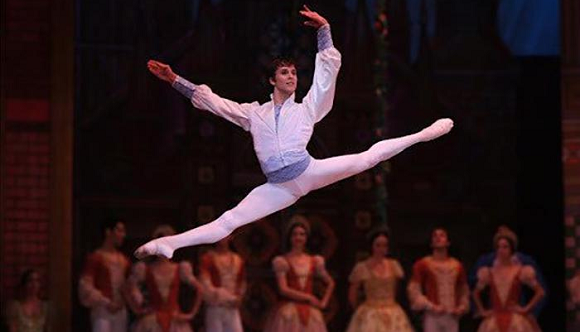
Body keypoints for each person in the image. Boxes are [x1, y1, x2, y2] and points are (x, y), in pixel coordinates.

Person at [135, 5, 454, 259]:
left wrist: (325, 32)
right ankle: (170, 244)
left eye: (293, 73)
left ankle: (423, 134)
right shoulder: (252, 113)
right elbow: (214, 103)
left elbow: (325, 80)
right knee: (229, 221)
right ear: (272, 80)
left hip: (308, 172)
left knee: (368, 158)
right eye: (284, 73)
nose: (291, 77)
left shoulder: (305, 109)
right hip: (278, 187)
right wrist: (176, 80)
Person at [125, 225, 203, 332]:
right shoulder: (145, 269)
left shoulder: (180, 268)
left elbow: (199, 289)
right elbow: (126, 287)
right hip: (152, 320)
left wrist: (191, 314)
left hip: (175, 319)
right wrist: (137, 310)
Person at [264, 215, 334, 332]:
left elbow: (330, 282)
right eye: (295, 234)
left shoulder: (314, 261)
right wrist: (309, 297)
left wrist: (323, 303)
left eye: (302, 234)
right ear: (290, 237)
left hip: (310, 312)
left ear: (306, 237)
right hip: (289, 310)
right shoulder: (282, 261)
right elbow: (283, 289)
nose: (298, 237)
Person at [472, 226, 544, 332]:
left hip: (515, 319)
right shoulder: (489, 272)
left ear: (511, 249)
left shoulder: (520, 270)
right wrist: (482, 311)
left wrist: (525, 309)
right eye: (498, 247)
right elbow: (475, 293)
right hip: (494, 318)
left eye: (505, 247)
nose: (501, 250)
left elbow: (540, 292)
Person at [346, 228, 414, 332]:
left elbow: (397, 289)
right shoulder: (362, 267)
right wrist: (359, 312)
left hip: (392, 312)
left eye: (384, 245)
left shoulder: (394, 265)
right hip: (370, 312)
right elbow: (352, 294)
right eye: (378, 245)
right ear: (372, 246)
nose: (381, 249)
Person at [407, 227, 469, 332]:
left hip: (451, 315)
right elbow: (413, 290)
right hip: (433, 316)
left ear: (448, 242)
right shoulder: (423, 264)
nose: (438, 238)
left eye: (442, 235)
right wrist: (430, 306)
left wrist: (461, 307)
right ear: (431, 243)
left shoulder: (457, 265)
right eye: (435, 236)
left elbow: (463, 290)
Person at [79, 217, 131, 332]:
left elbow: (128, 286)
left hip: (120, 310)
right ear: (108, 232)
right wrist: (105, 302)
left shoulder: (124, 260)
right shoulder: (96, 258)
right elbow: (86, 285)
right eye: (119, 230)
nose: (123, 235)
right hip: (102, 310)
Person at [199, 236, 246, 332]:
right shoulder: (208, 259)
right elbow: (205, 284)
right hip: (215, 307)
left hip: (232, 308)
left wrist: (239, 297)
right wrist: (225, 297)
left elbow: (241, 282)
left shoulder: (238, 259)